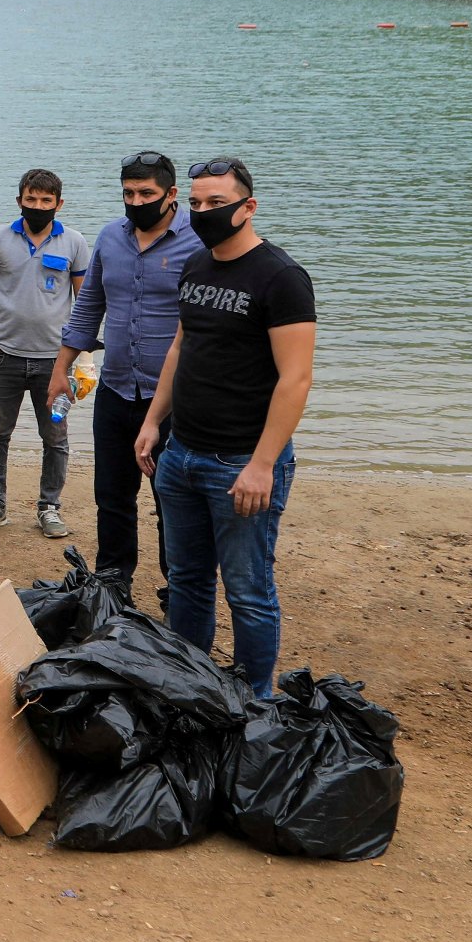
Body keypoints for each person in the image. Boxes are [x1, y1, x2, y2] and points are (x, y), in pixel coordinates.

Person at [136, 156, 315, 698]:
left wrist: (263, 465)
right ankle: (191, 687)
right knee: (186, 582)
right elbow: (180, 348)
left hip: (241, 463)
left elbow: (296, 379)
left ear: (248, 206)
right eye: (194, 203)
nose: (203, 212)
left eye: (216, 203)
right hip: (182, 454)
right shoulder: (196, 266)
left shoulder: (281, 278)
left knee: (247, 590)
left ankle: (255, 699)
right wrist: (152, 423)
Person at [51, 151, 201, 597]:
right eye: (128, 193)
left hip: (175, 398)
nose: (136, 201)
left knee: (172, 501)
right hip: (116, 390)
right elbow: (87, 308)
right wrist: (61, 370)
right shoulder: (110, 238)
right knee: (112, 499)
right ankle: (113, 587)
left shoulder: (198, 241)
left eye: (146, 193)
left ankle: (178, 591)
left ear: (172, 195)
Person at [0, 169, 92, 539]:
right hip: (4, 355)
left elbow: (85, 302)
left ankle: (49, 507)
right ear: (19, 200)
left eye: (46, 201)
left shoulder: (75, 243)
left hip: (56, 362)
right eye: (31, 199)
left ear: (59, 204)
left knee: (55, 437)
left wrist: (84, 358)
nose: (38, 206)